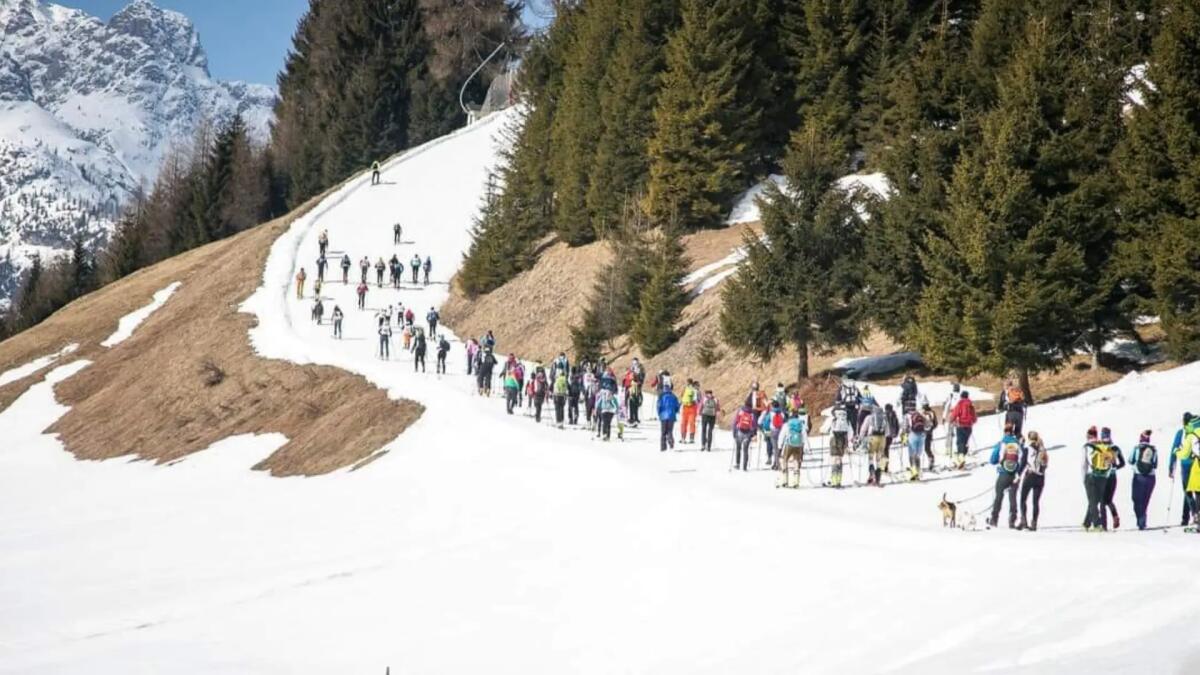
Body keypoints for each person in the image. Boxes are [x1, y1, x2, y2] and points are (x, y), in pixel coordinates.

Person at [988, 424, 1023, 528]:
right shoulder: (1018, 444)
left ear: (1004, 431)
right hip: (1015, 475)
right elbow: (1022, 460)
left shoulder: (1001, 443)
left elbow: (993, 460)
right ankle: (1012, 520)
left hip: (1003, 473)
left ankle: (994, 519)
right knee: (1013, 497)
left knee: (998, 496)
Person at [1083, 427, 1115, 532]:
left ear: (1088, 436)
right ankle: (1086, 523)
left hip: (1091, 475)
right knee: (1095, 500)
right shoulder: (1104, 446)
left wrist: (1084, 477)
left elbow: (1084, 464)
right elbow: (1111, 462)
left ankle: (1097, 524)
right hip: (1103, 476)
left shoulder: (1088, 447)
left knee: (1092, 501)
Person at [1018, 430, 1048, 531]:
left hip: (1030, 475)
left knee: (1023, 499)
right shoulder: (1042, 449)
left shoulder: (1028, 449)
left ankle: (1024, 521)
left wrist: (1018, 475)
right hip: (1041, 476)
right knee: (1036, 501)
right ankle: (1034, 522)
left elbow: (1023, 463)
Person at [1169, 413, 1196, 526]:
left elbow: (1174, 449)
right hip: (1196, 464)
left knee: (1187, 491)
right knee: (1195, 490)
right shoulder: (1195, 431)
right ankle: (1186, 518)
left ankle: (1193, 514)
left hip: (1185, 465)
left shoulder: (1181, 433)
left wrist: (1171, 466)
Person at [1129, 431, 1158, 530]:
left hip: (1138, 476)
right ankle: (1142, 522)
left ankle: (1140, 521)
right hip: (1151, 478)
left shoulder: (1136, 448)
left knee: (1136, 499)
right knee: (1145, 500)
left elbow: (1130, 460)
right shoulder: (1154, 450)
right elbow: (1155, 464)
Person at [1100, 427, 1126, 529]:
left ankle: (1104, 525)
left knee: (1102, 501)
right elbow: (1123, 463)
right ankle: (1115, 517)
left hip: (1103, 477)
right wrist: (1115, 468)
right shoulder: (1115, 448)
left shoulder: (1100, 447)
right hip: (1113, 477)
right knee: (1109, 500)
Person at [860, 403, 888, 487]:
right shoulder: (884, 417)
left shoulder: (869, 417)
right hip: (882, 438)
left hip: (872, 438)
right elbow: (887, 429)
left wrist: (861, 438)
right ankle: (878, 477)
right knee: (880, 458)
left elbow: (863, 429)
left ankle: (872, 475)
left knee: (871, 457)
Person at [948, 391, 977, 469]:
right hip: (969, 426)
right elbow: (974, 416)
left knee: (960, 442)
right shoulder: (971, 405)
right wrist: (972, 422)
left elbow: (955, 413)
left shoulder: (960, 403)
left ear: (961, 396)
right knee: (965, 442)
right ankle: (962, 457)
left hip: (960, 425)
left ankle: (961, 458)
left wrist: (951, 420)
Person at [778, 411, 807, 488]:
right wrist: (804, 447)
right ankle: (796, 482)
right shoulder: (801, 424)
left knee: (784, 460)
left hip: (789, 444)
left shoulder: (787, 424)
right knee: (796, 461)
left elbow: (781, 436)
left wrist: (779, 447)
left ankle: (784, 481)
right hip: (799, 445)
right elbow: (804, 436)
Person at [904, 405, 928, 481]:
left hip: (912, 435)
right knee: (917, 455)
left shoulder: (907, 416)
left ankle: (913, 472)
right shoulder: (920, 414)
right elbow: (928, 424)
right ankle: (918, 471)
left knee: (912, 455)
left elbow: (905, 427)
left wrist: (903, 435)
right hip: (922, 435)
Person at [830, 406, 851, 487]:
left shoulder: (833, 420)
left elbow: (824, 429)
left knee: (834, 460)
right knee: (840, 460)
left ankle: (833, 481)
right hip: (843, 441)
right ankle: (839, 480)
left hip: (834, 441)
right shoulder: (846, 421)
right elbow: (850, 432)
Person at [732, 404, 756, 471]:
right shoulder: (752, 413)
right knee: (746, 450)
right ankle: (744, 467)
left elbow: (735, 422)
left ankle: (737, 464)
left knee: (738, 448)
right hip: (748, 433)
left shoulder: (740, 411)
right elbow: (754, 425)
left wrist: (734, 432)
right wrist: (753, 434)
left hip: (739, 432)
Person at [761, 401, 785, 470]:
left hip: (773, 431)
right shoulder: (782, 413)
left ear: (772, 406)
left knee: (775, 448)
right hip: (781, 432)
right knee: (779, 448)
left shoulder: (770, 413)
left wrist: (764, 429)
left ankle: (777, 464)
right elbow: (785, 420)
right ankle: (776, 463)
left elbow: (766, 422)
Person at [658, 385, 681, 452]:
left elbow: (659, 406)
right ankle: (671, 442)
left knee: (663, 432)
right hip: (671, 416)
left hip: (663, 416)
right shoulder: (674, 397)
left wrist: (659, 414)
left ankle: (663, 447)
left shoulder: (661, 397)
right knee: (670, 431)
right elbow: (677, 406)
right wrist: (675, 411)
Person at [942, 383, 961, 456]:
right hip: (959, 416)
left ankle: (948, 449)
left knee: (949, 432)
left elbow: (947, 406)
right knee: (959, 433)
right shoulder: (961, 396)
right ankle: (959, 448)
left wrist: (944, 417)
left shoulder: (951, 395)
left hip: (952, 414)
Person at [679, 379, 699, 444]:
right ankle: (691, 438)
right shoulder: (694, 390)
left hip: (685, 407)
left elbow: (681, 396)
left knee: (684, 423)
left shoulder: (685, 388)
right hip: (692, 408)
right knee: (692, 423)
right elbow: (697, 400)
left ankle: (683, 438)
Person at [920, 403, 938, 471]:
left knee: (923, 449)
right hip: (929, 433)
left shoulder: (922, 413)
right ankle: (931, 459)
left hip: (922, 433)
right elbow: (935, 424)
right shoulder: (932, 413)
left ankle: (918, 465)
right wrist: (931, 429)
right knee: (927, 448)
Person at [884, 403, 900, 475]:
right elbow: (898, 425)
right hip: (891, 435)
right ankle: (885, 467)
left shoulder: (884, 415)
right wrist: (896, 434)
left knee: (884, 451)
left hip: (885, 435)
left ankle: (884, 467)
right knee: (886, 450)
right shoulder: (894, 415)